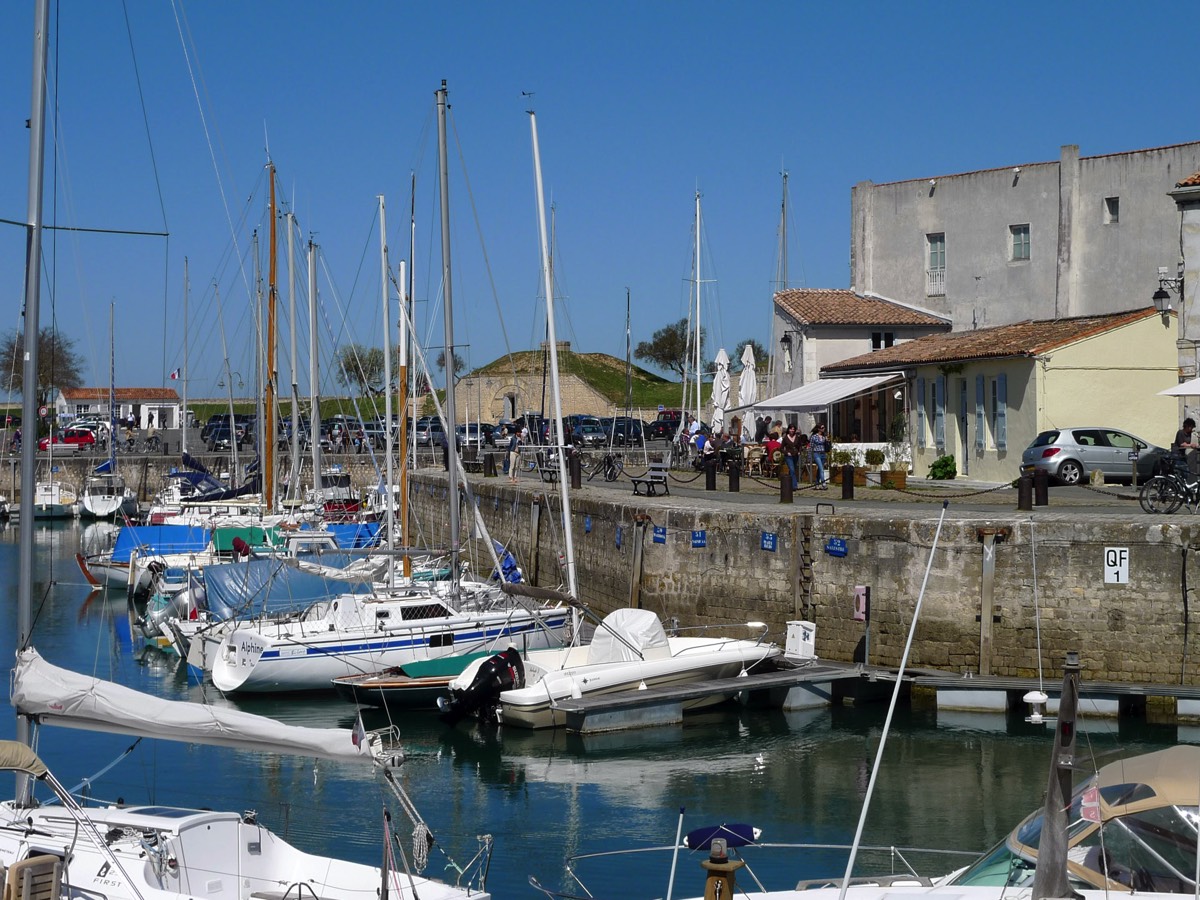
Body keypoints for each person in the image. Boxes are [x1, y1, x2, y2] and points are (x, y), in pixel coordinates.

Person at [809, 422, 829, 488]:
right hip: (816, 453)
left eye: (824, 427)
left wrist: (827, 441)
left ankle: (816, 483)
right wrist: (810, 456)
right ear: (819, 429)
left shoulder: (824, 436)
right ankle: (823, 483)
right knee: (821, 468)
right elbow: (811, 446)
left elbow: (826, 445)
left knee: (820, 469)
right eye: (822, 428)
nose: (824, 429)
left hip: (823, 453)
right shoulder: (814, 437)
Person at [781, 424, 802, 489]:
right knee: (792, 469)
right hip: (788, 456)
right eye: (791, 429)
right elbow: (781, 448)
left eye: (793, 429)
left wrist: (799, 451)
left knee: (792, 470)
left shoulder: (797, 437)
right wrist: (786, 453)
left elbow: (800, 446)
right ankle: (794, 486)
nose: (792, 430)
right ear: (788, 430)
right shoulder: (785, 438)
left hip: (795, 455)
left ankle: (789, 484)